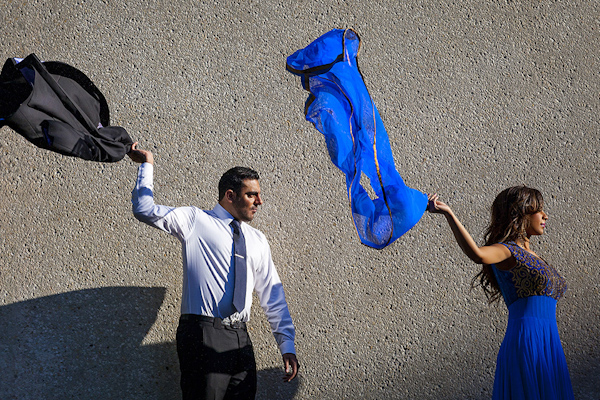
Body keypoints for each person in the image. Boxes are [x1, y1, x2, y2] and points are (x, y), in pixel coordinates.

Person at [128, 142, 299, 400]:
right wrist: (146, 165)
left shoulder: (257, 240)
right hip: (203, 334)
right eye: (252, 194)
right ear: (230, 195)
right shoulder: (196, 220)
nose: (259, 201)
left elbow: (273, 295)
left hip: (241, 338)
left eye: (259, 195)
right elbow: (144, 210)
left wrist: (287, 345)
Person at [427, 186, 573, 400]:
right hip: (527, 340)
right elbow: (477, 254)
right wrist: (449, 214)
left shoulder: (536, 256)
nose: (545, 216)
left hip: (549, 343)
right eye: (537, 210)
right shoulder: (507, 250)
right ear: (520, 214)